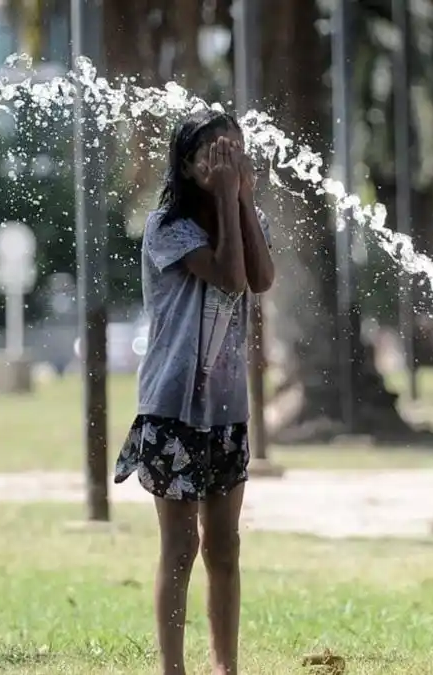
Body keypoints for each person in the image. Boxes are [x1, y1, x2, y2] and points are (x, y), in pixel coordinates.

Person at [114, 108, 274, 675]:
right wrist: (231, 203)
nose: (227, 160)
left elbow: (260, 278)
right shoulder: (167, 227)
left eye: (236, 149)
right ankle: (173, 669)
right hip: (172, 408)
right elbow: (229, 275)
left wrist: (242, 202)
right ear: (187, 165)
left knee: (224, 546)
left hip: (227, 412)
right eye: (214, 153)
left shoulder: (243, 217)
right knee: (180, 549)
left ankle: (225, 667)